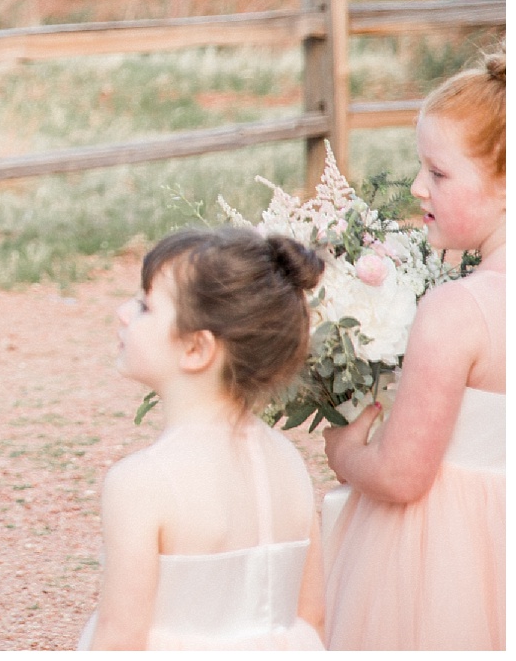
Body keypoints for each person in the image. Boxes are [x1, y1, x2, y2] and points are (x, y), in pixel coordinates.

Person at [322, 51, 505, 650]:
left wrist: (346, 453)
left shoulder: (457, 312)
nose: (417, 186)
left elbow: (402, 475)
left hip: (448, 560)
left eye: (439, 172)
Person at [81, 229, 327, 650]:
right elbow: (313, 618)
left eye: (144, 306)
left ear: (197, 349)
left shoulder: (141, 482)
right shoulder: (288, 462)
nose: (123, 313)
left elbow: (119, 640)